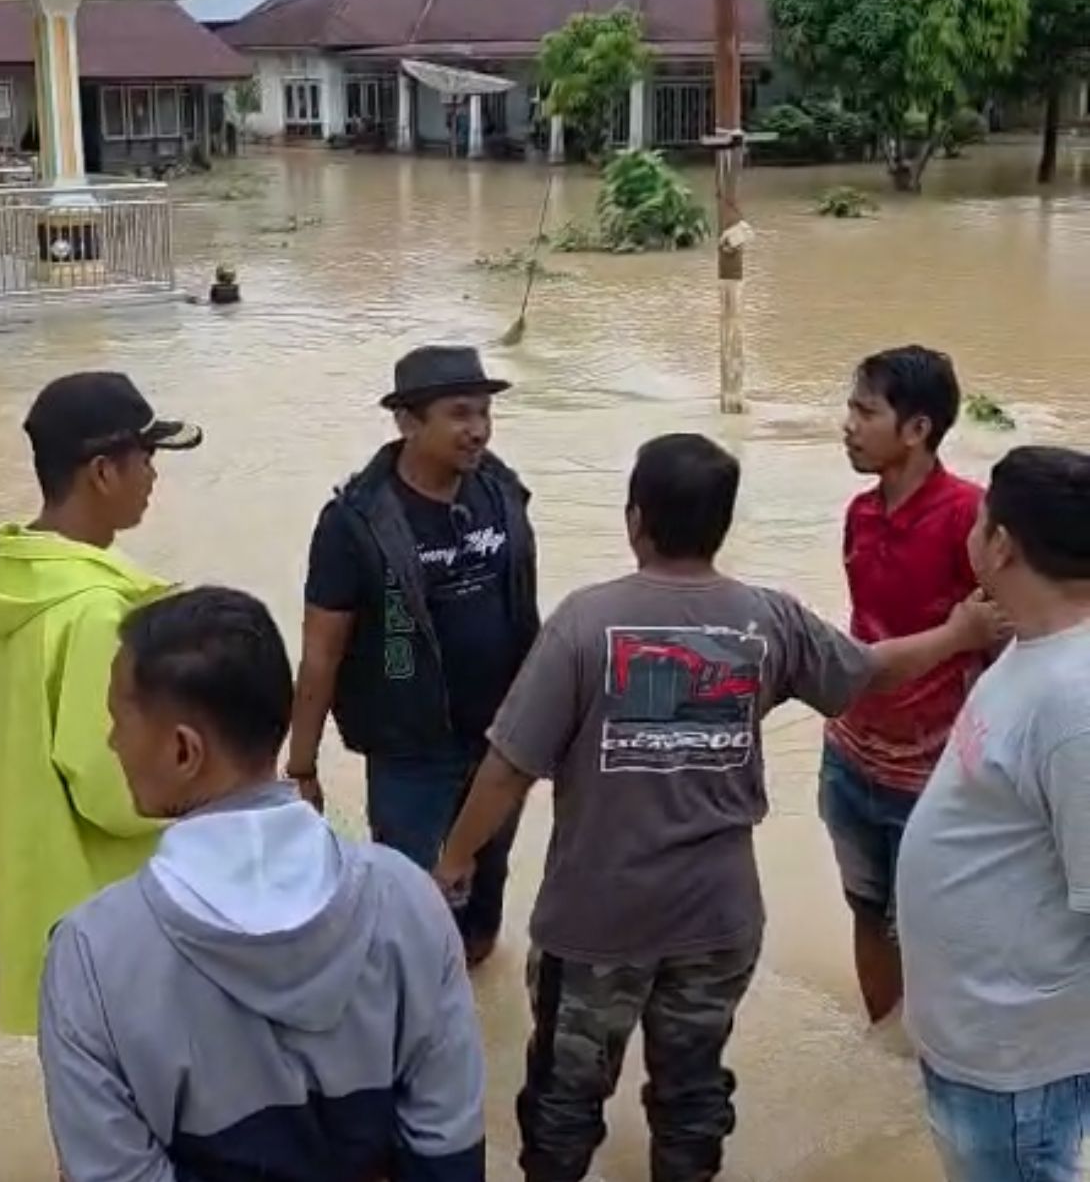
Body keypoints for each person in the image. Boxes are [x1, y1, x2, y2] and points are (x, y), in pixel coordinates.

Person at [434, 433, 1001, 1182]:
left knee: (564, 1101)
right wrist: (959, 633)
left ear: (635, 518)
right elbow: (865, 672)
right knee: (693, 1096)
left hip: (597, 919)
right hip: (718, 919)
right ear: (723, 523)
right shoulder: (768, 619)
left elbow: (508, 768)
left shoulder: (584, 621)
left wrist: (455, 856)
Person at [39, 586, 486, 1182]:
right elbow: (448, 1148)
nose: (113, 741)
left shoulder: (92, 957)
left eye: (119, 718)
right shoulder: (407, 900)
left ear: (182, 750)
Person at [0, 371, 201, 1034]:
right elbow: (113, 791)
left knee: (89, 1119)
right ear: (102, 470)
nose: (153, 476)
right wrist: (206, 792)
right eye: (146, 459)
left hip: (34, 904)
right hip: (109, 925)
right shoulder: (97, 611)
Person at [289, 345, 539, 966]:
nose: (478, 429)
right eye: (459, 414)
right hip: (409, 749)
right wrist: (301, 765)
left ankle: (478, 1017)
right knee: (410, 904)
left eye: (484, 413)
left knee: (486, 890)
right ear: (407, 422)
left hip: (500, 740)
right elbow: (321, 652)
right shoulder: (356, 522)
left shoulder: (500, 490)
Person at [899, 446, 1090, 1182]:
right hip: (975, 1034)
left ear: (1001, 543)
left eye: (979, 518)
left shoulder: (1076, 702)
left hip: (1019, 1062)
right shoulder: (1035, 644)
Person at [821, 345, 984, 1024]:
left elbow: (1011, 631)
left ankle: (933, 1066)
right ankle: (881, 1053)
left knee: (940, 935)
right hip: (851, 753)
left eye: (865, 411)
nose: (848, 425)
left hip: (935, 772)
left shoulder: (971, 518)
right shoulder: (861, 513)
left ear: (917, 428)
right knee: (866, 911)